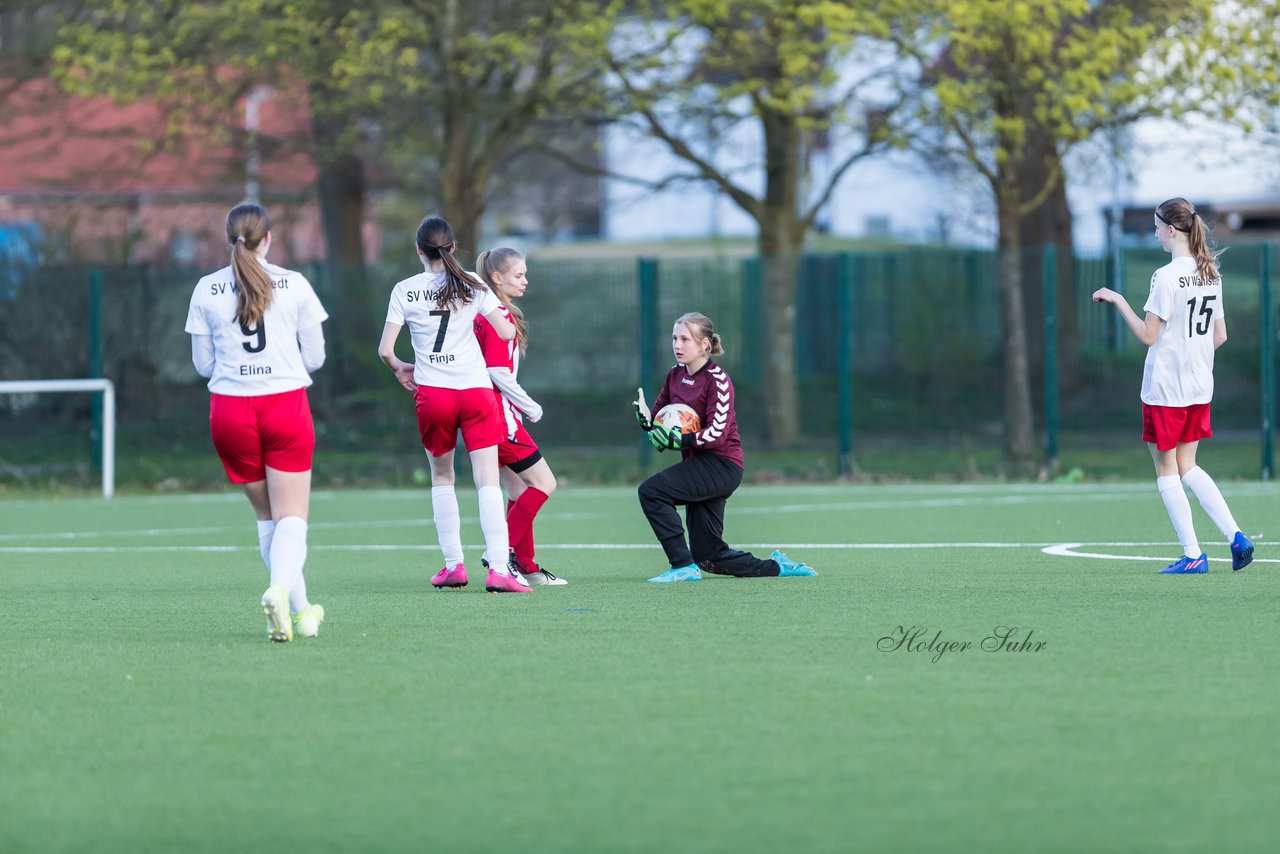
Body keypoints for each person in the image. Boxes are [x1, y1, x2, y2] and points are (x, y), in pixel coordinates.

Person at [185, 202, 328, 641]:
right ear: (268, 238)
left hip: (229, 411)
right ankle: (280, 590)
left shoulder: (206, 289)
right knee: (292, 517)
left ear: (230, 239)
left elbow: (203, 365)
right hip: (284, 405)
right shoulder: (295, 284)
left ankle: (302, 614)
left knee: (268, 518)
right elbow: (317, 357)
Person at [1092, 197, 1253, 574]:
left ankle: (1194, 554)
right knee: (1189, 465)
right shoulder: (1211, 272)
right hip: (1199, 386)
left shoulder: (1165, 276)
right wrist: (1191, 353)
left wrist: (1117, 299)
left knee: (1167, 469)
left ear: (1171, 229)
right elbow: (1220, 335)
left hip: (1165, 389)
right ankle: (1236, 536)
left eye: (1156, 226)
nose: (1154, 233)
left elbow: (1149, 336)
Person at [378, 216, 530, 593]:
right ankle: (498, 569)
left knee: (443, 477)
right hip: (476, 393)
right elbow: (507, 330)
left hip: (434, 395)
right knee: (488, 481)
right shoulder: (473, 284)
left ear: (418, 250)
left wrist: (400, 368)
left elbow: (385, 350)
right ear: (453, 246)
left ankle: (453, 567)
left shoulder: (404, 289)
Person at [633, 312, 817, 582]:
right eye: (674, 338)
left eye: (685, 339)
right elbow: (662, 422)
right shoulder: (674, 376)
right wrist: (648, 423)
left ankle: (682, 567)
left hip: (722, 466)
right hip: (698, 465)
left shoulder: (717, 380)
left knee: (651, 492)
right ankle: (778, 567)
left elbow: (717, 434)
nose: (677, 345)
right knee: (710, 557)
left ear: (705, 344)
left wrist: (681, 441)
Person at [474, 247, 566, 586]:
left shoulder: (486, 312)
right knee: (545, 483)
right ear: (497, 278)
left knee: (517, 489)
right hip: (500, 419)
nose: (525, 281)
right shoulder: (495, 314)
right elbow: (497, 371)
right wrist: (529, 405)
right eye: (518, 275)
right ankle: (501, 552)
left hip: (488, 416)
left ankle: (525, 565)